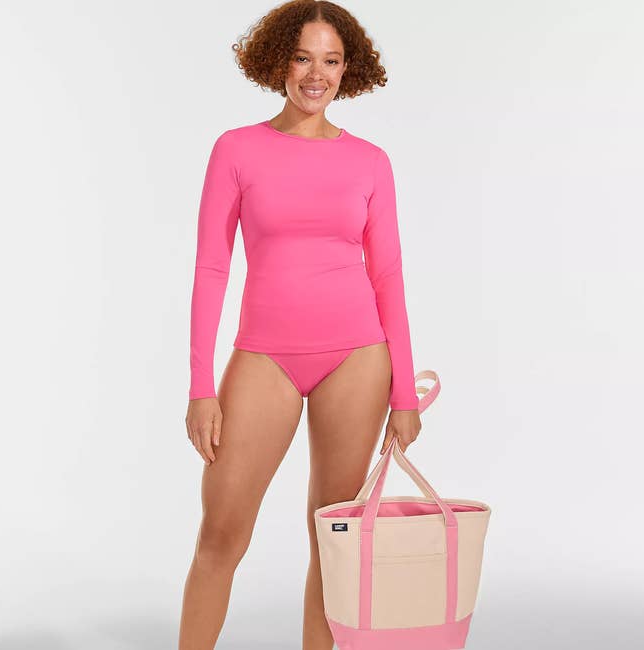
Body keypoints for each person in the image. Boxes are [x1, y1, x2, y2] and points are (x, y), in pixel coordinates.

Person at [179, 2, 423, 648]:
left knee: (333, 540)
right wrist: (201, 387)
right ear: (278, 61)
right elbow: (211, 268)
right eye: (303, 58)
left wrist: (403, 395)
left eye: (331, 61)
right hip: (265, 358)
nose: (317, 75)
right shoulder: (236, 149)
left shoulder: (370, 161)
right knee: (220, 536)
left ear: (349, 69)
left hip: (358, 358)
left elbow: (388, 276)